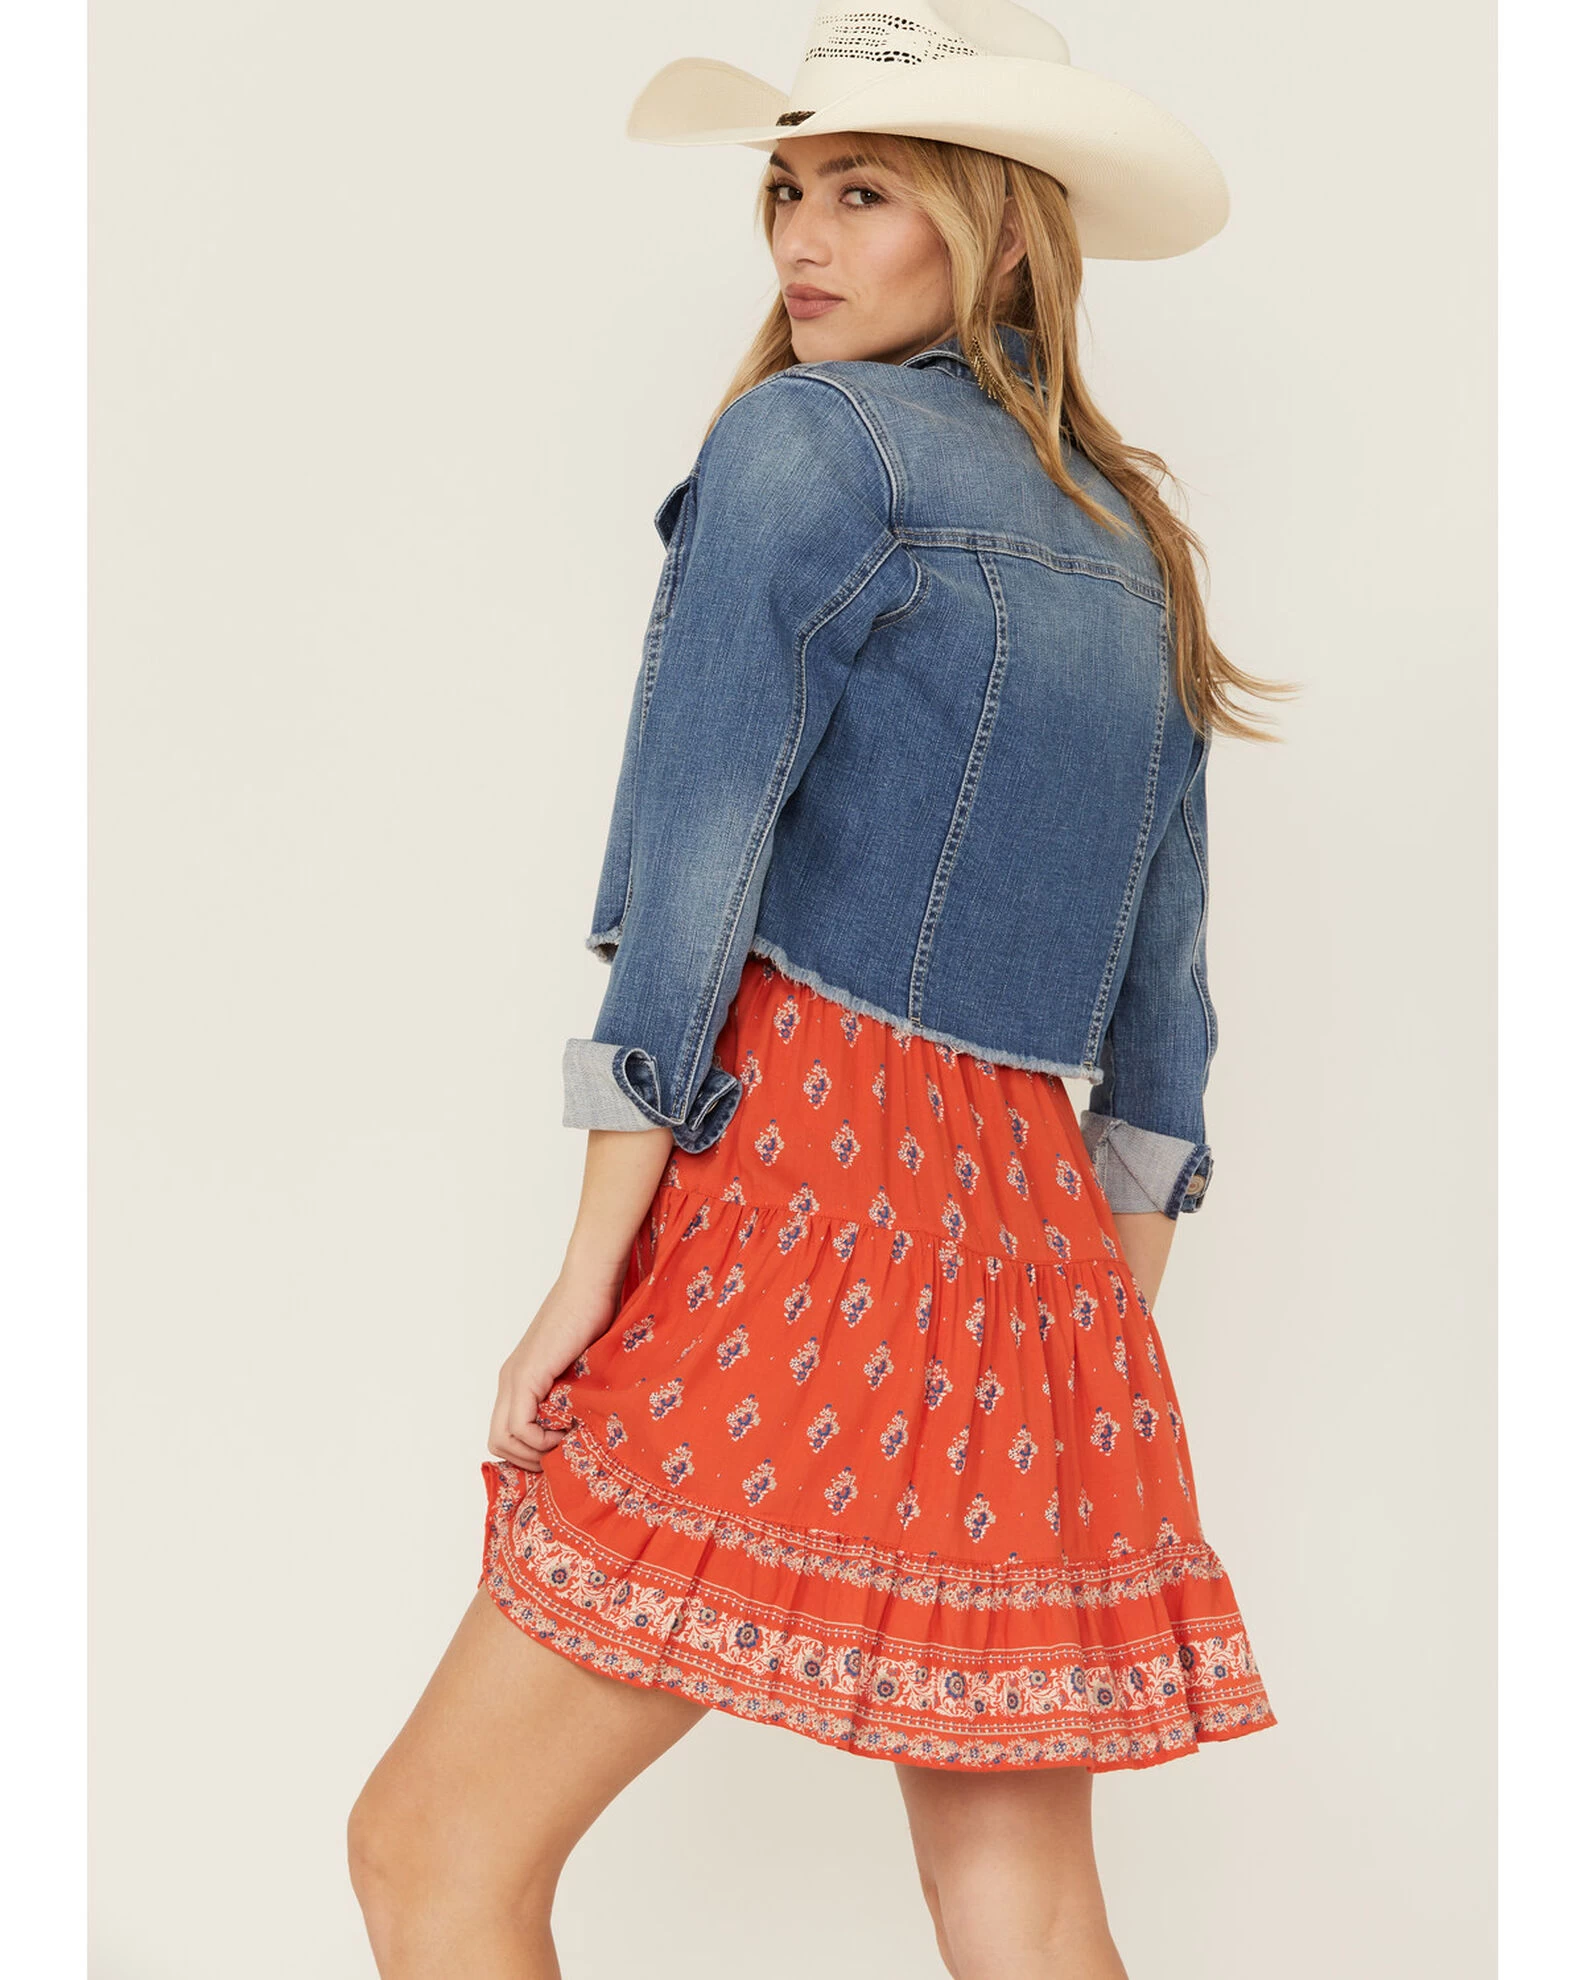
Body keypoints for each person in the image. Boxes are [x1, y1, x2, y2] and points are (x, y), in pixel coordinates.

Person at [349, 7, 1293, 1975]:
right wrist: (1095, 1341)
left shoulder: (802, 442)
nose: (802, 236)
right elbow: (1164, 1029)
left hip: (799, 1192)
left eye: (865, 192)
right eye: (785, 189)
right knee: (1021, 1902)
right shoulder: (1133, 539)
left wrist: (587, 1274)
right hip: (1041, 1257)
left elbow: (691, 885)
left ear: (1001, 229)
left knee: (432, 1848)